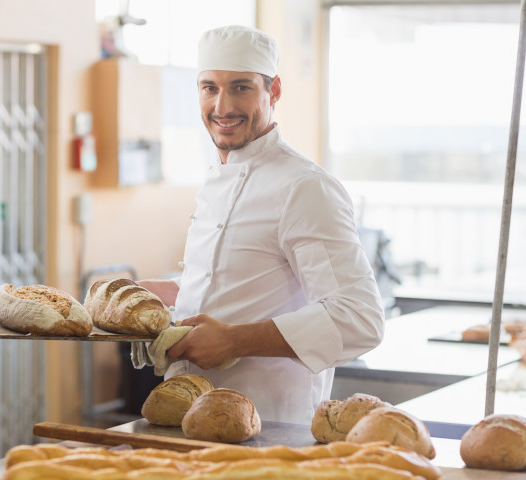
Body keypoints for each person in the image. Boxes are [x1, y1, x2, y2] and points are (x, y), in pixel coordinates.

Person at [138, 25, 385, 425]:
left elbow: (359, 318)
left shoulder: (305, 187)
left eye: (240, 88)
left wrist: (234, 341)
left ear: (274, 92)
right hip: (186, 418)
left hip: (271, 426)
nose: (222, 106)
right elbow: (248, 284)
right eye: (209, 88)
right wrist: (170, 295)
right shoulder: (214, 177)